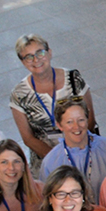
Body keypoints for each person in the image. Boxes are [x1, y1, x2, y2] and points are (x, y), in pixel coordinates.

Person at [8, 34, 94, 165]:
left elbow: (90, 119)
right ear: (23, 62)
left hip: (83, 154)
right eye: (29, 57)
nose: (36, 60)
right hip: (47, 162)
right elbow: (28, 138)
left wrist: (78, 154)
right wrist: (59, 159)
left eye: (40, 53)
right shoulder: (19, 94)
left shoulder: (73, 79)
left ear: (49, 53)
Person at [40, 99, 106, 199]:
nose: (76, 127)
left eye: (81, 120)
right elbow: (48, 199)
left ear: (87, 119)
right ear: (59, 125)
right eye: (69, 122)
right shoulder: (50, 163)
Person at [0, 139, 44, 211]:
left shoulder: (41, 191)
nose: (11, 168)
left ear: (24, 166)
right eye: (4, 162)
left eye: (17, 162)